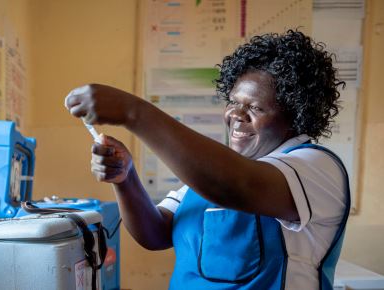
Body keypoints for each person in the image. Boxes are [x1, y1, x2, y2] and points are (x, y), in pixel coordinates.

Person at [64, 30, 349, 290]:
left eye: (255, 107)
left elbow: (236, 186)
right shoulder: (211, 172)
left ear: (296, 117)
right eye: (234, 102)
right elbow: (155, 233)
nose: (236, 114)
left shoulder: (315, 167)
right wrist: (125, 178)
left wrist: (133, 112)